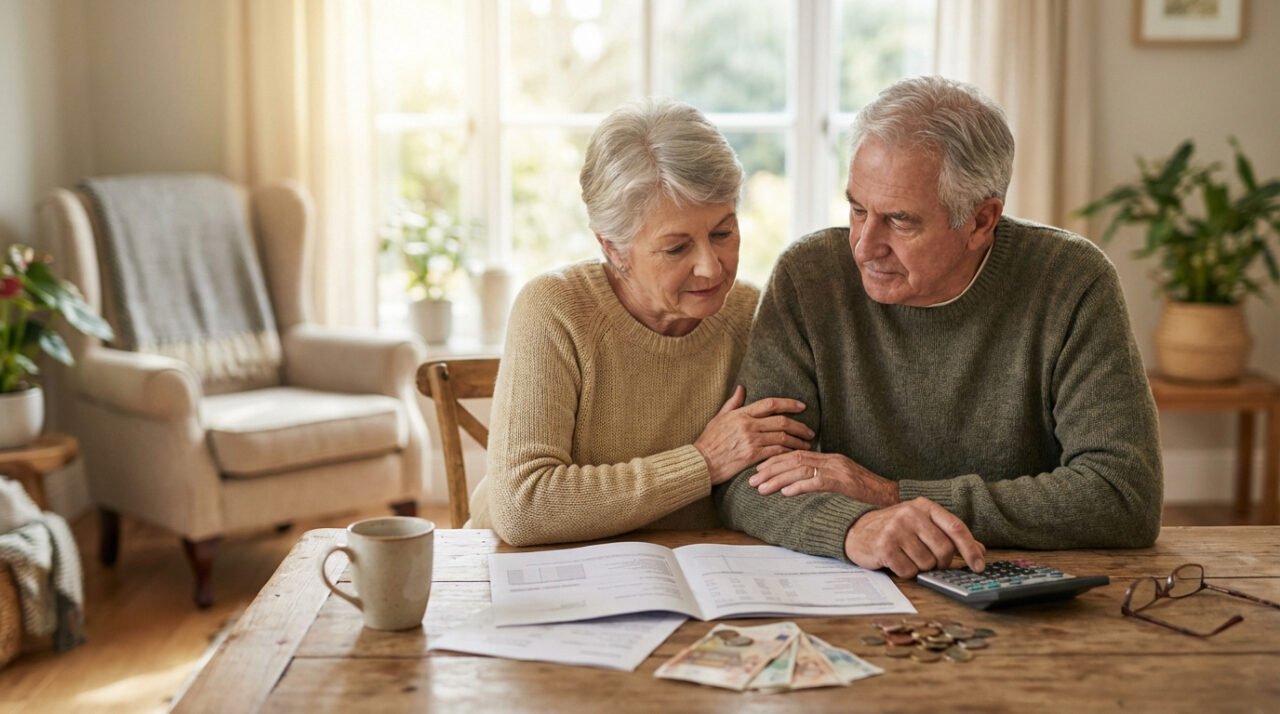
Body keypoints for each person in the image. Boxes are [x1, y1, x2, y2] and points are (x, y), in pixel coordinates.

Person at [715, 76, 1163, 577]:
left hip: (1021, 591)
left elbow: (1123, 494)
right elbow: (747, 479)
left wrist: (891, 495)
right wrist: (854, 530)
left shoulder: (1072, 280)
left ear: (980, 221)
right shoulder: (811, 275)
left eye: (900, 221)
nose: (864, 246)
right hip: (862, 580)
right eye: (858, 210)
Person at [470, 97, 815, 546]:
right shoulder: (555, 309)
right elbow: (524, 507)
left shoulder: (752, 315)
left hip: (695, 575)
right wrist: (702, 463)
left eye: (723, 233)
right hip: (532, 571)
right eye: (676, 248)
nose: (711, 267)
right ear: (612, 248)